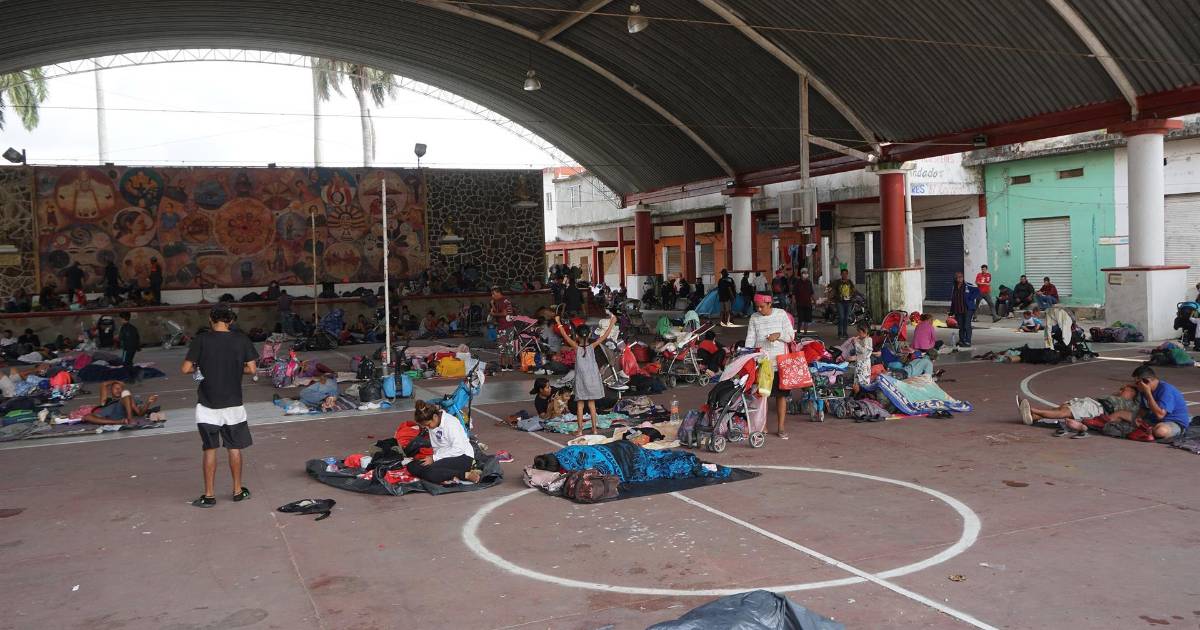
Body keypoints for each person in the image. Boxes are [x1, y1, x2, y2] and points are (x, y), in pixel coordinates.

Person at [181, 304, 259, 508]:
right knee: (234, 448)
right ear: (231, 320)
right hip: (233, 405)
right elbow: (252, 369)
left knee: (210, 449)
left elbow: (185, 368)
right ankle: (237, 491)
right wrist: (235, 367)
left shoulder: (201, 340)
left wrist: (202, 367)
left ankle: (209, 496)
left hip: (207, 405)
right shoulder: (241, 339)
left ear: (210, 319)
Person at [556, 311, 617, 437]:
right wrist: (612, 322)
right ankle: (594, 429)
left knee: (580, 405)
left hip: (581, 381)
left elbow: (564, 335)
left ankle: (580, 430)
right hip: (593, 380)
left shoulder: (576, 346)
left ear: (577, 336)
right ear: (589, 334)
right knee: (592, 405)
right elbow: (605, 335)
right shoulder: (593, 346)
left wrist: (558, 322)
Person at [744, 293, 795, 439]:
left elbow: (791, 336)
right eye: (757, 307)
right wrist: (748, 355)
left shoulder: (781, 314)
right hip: (762, 363)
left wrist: (778, 335)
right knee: (762, 396)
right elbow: (750, 339)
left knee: (781, 396)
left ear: (770, 304)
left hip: (779, 363)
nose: (759, 309)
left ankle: (781, 427)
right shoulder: (754, 318)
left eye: (762, 306)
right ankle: (763, 426)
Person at [1018, 385, 1139, 439]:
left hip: (1096, 408)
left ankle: (1032, 410)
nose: (1121, 390)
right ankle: (1032, 417)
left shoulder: (1130, 405)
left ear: (1133, 393)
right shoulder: (1117, 398)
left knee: (1063, 413)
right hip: (1090, 401)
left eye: (1125, 389)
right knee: (1060, 409)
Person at [407, 400, 480, 484]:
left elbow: (458, 449)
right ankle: (445, 475)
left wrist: (434, 458)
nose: (427, 428)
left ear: (435, 416)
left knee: (431, 472)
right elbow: (436, 448)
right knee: (411, 466)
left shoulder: (451, 423)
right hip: (442, 458)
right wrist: (434, 458)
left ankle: (465, 475)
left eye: (428, 424)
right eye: (425, 426)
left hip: (463, 457)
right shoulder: (433, 424)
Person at [1119, 365, 1191, 440]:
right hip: (1153, 420)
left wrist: (1148, 393)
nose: (1136, 385)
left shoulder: (1166, 390)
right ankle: (1146, 430)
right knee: (1119, 414)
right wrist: (1139, 417)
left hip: (1173, 422)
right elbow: (1144, 409)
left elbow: (1160, 415)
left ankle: (1147, 430)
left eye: (1137, 383)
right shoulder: (1143, 390)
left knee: (1160, 431)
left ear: (1146, 382)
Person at [83, 380, 161, 425]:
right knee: (87, 417)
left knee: (127, 394)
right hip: (110, 417)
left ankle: (130, 419)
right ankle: (119, 422)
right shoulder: (105, 401)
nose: (118, 390)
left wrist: (148, 402)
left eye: (120, 388)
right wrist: (116, 381)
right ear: (111, 390)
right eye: (116, 388)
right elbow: (103, 384)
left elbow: (140, 413)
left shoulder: (127, 398)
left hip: (121, 413)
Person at [949, 272, 975, 348]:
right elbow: (953, 299)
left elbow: (977, 291)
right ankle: (962, 340)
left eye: (961, 277)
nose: (960, 278)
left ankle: (968, 341)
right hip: (958, 310)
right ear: (955, 278)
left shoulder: (968, 285)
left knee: (967, 325)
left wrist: (970, 298)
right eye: (958, 277)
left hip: (968, 309)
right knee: (961, 326)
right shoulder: (954, 287)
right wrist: (951, 311)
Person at [847, 323, 874, 394]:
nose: (858, 334)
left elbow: (865, 353)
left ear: (865, 332)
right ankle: (856, 394)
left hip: (864, 365)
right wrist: (854, 343)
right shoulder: (861, 339)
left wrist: (856, 343)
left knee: (863, 381)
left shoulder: (868, 340)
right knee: (857, 380)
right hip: (859, 364)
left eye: (860, 332)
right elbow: (858, 350)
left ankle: (862, 395)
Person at [830, 269, 855, 338]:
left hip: (848, 302)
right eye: (843, 274)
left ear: (847, 274)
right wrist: (831, 297)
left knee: (846, 318)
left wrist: (854, 297)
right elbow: (832, 289)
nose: (844, 275)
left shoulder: (850, 282)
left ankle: (845, 332)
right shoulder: (837, 282)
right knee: (841, 317)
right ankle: (840, 332)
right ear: (841, 274)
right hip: (840, 302)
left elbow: (854, 290)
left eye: (846, 274)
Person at [791, 268, 814, 335]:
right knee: (800, 318)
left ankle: (805, 332)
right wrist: (793, 301)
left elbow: (811, 293)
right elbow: (793, 293)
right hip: (799, 303)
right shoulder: (797, 282)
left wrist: (815, 301)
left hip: (808, 303)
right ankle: (798, 330)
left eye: (806, 273)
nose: (805, 274)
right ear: (801, 274)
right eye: (804, 273)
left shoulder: (809, 282)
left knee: (807, 318)